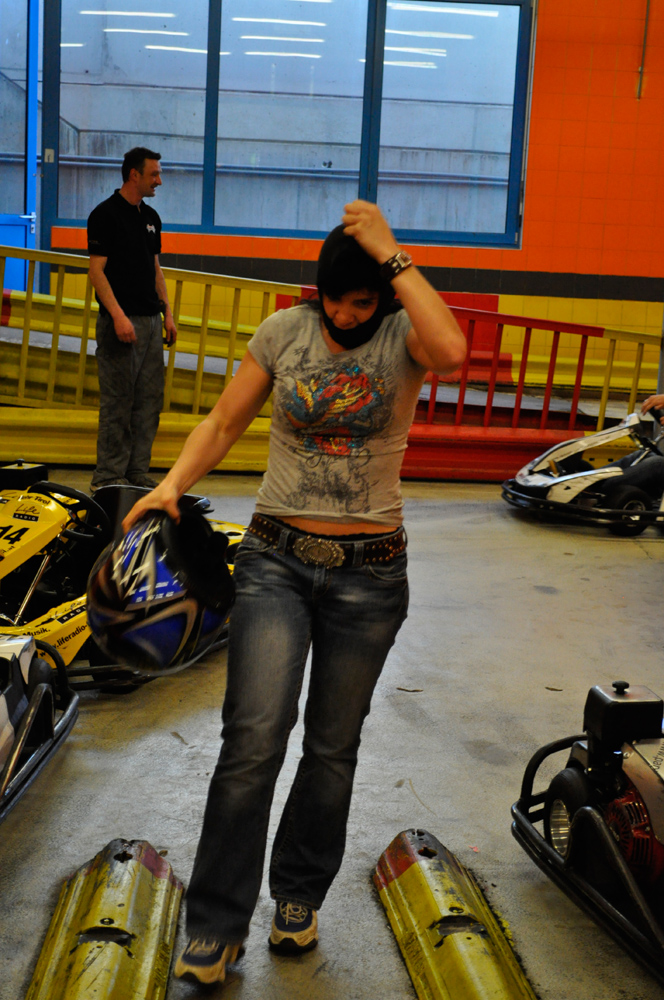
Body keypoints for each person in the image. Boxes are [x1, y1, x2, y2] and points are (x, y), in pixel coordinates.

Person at [122, 200, 467, 987]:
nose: (346, 316)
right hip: (275, 561)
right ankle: (215, 925)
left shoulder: (404, 335)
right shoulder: (283, 332)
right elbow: (222, 422)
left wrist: (393, 253)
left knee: (331, 748)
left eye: (361, 301)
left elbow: (451, 349)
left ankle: (298, 896)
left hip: (371, 574)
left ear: (383, 292)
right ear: (317, 291)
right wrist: (171, 484)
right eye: (334, 300)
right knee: (252, 741)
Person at [87, 146, 177, 491]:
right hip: (120, 325)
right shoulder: (105, 215)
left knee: (149, 402)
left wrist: (167, 313)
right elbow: (97, 272)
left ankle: (136, 471)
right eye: (154, 174)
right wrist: (118, 316)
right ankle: (109, 476)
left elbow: (155, 268)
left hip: (151, 323)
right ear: (134, 175)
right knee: (118, 403)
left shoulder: (151, 217)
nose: (159, 181)